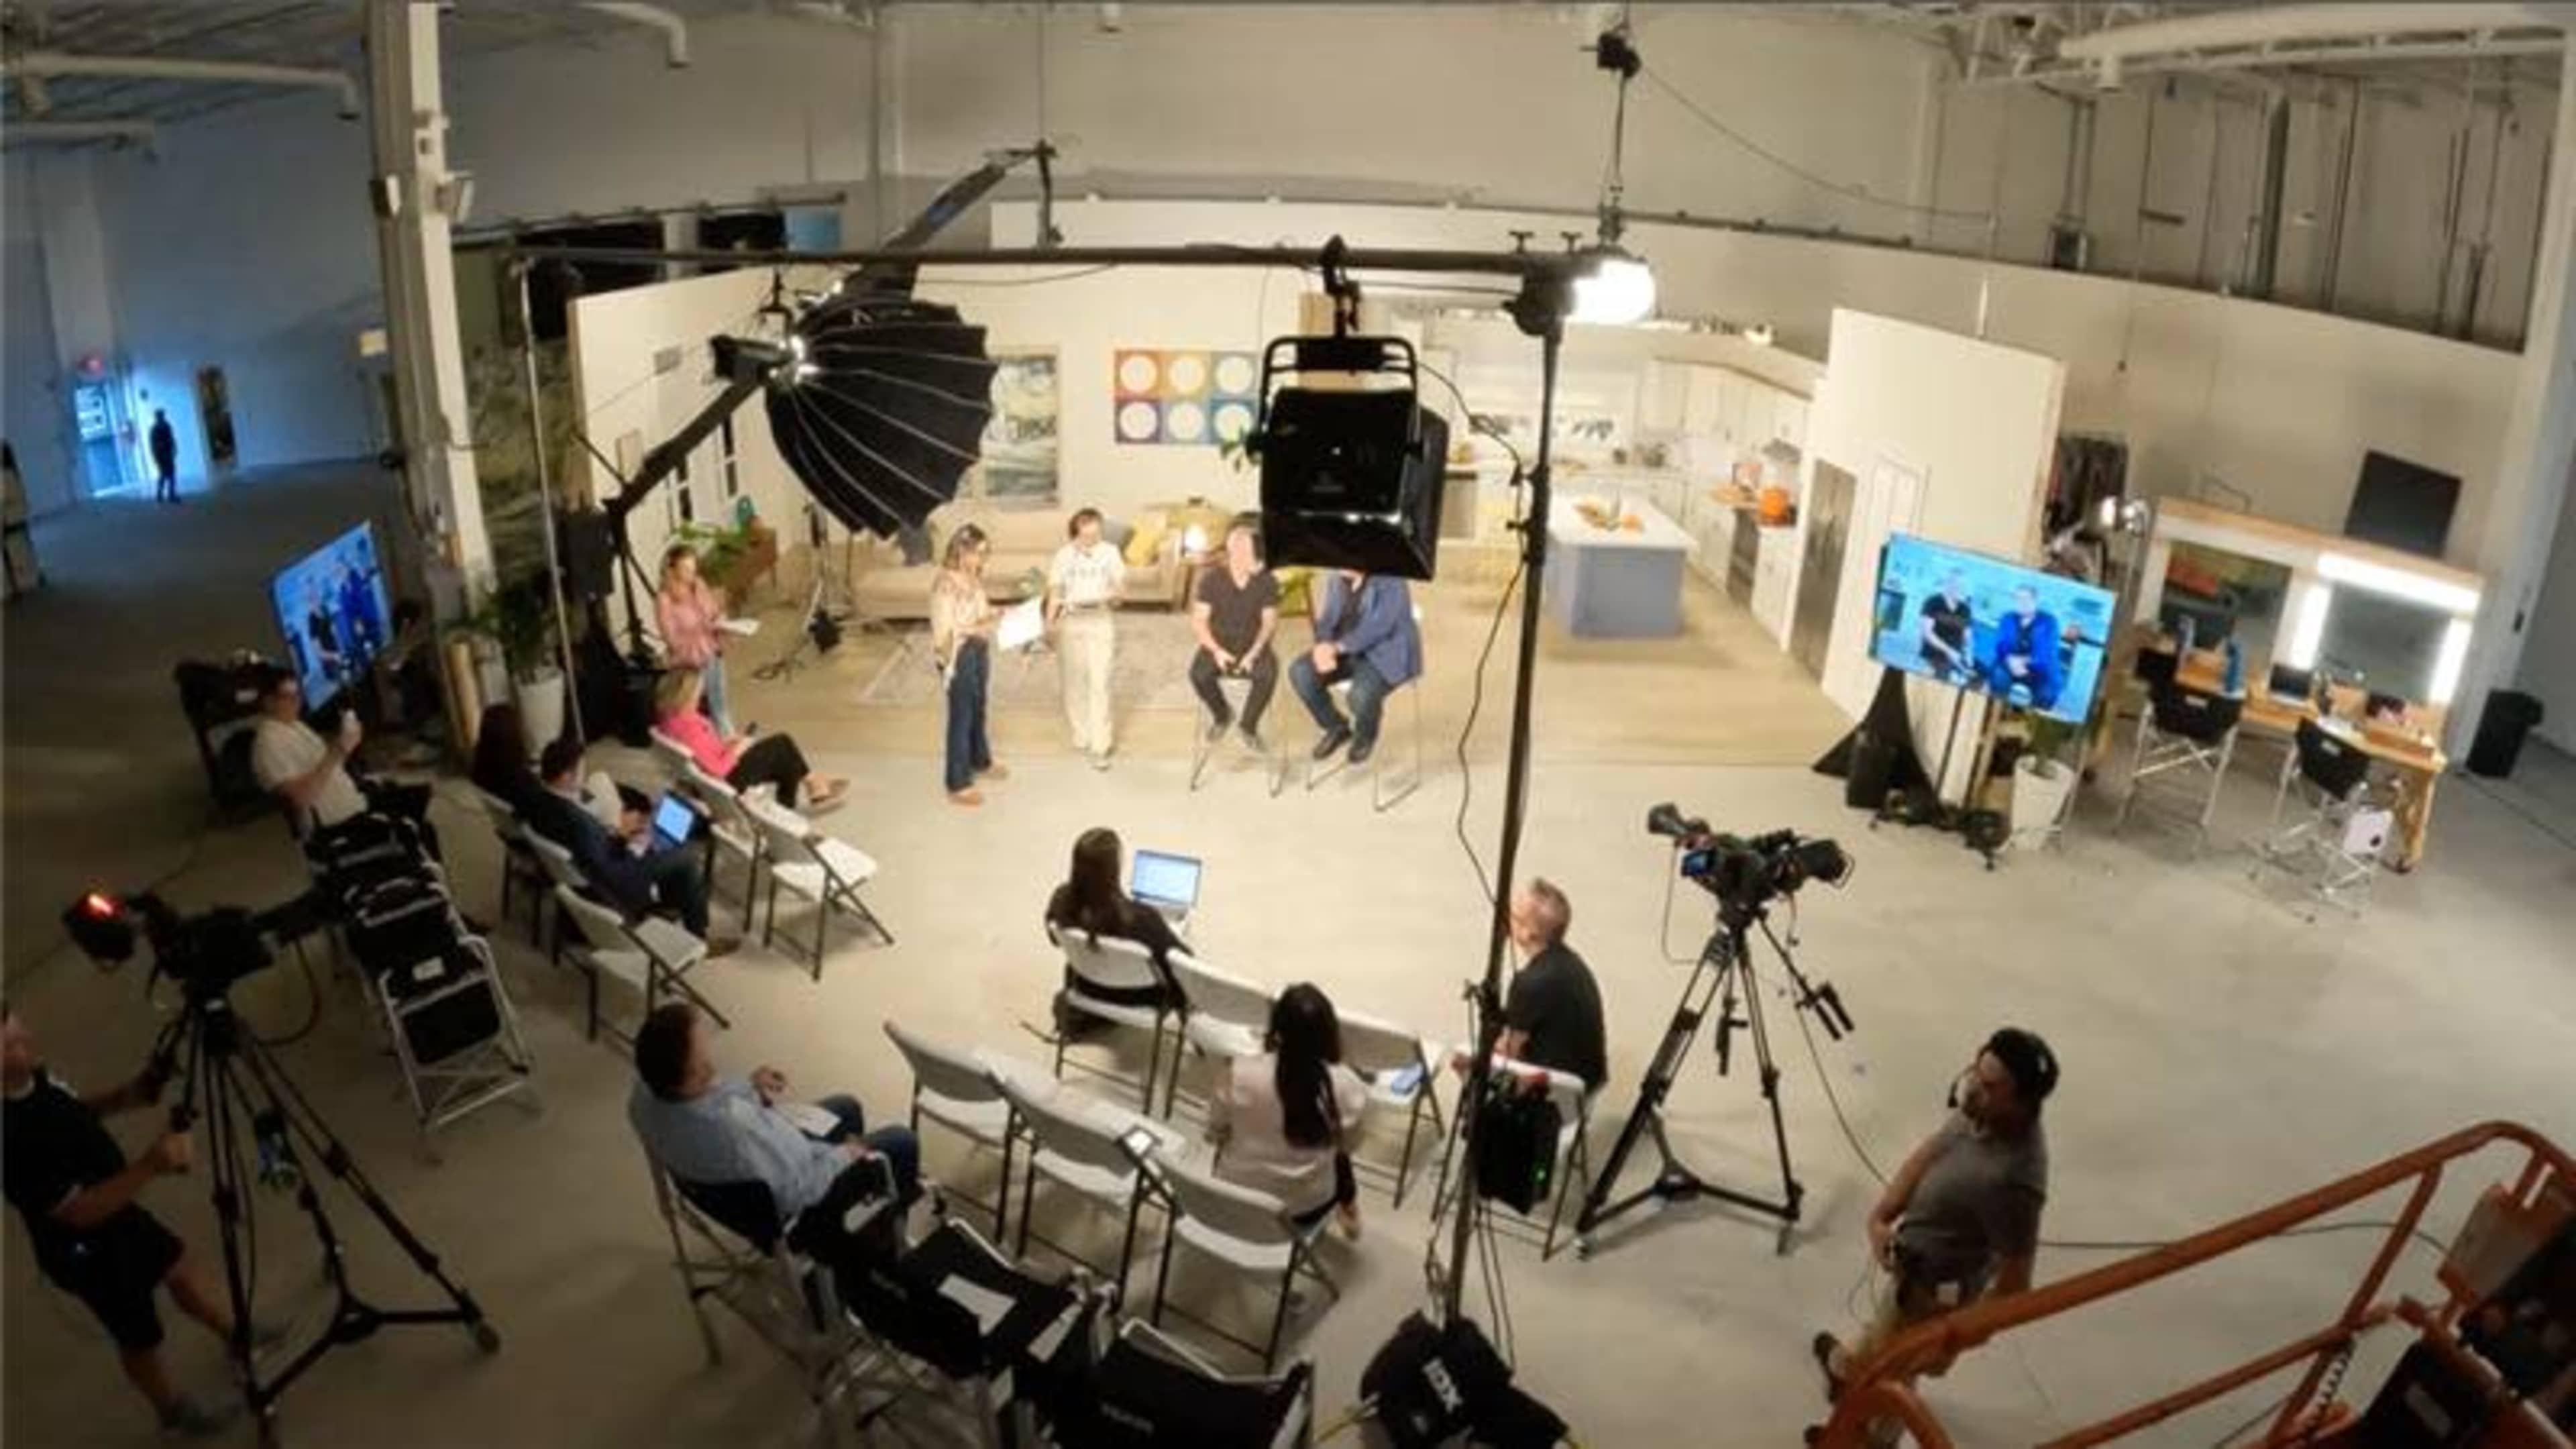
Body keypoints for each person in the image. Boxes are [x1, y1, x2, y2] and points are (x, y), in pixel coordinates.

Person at [3, 1005, 245, 1436]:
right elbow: (78, 1213)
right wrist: (152, 1164)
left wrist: (129, 1094)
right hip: (87, 1252)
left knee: (178, 1266)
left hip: (119, 1211)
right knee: (138, 1335)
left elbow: (75, 1111)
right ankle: (172, 1410)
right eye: (8, 1042)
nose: (23, 1036)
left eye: (14, 1023)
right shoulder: (10, 1140)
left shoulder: (33, 1076)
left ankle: (237, 1336)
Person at [1812, 1029, 2056, 1444]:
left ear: (2022, 1101)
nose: (1974, 1089)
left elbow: (2016, 1287)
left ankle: (1868, 1439)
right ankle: (1849, 1367)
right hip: (1911, 1265)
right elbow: (1929, 1153)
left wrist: (1951, 1342)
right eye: (1976, 1071)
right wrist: (1881, 1217)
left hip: (1936, 1295)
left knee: (1899, 1373)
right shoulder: (1981, 1110)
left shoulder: (2016, 1180)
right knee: (1884, 1337)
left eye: (1991, 1085)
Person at [627, 1002, 920, 1256]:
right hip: (796, 1205)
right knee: (901, 1141)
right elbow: (796, 1192)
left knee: (847, 1107)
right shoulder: (734, 1136)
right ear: (694, 1074)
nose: (712, 1056)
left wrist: (750, 1086)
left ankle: (840, 1225)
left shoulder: (643, 1095)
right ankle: (886, 1245)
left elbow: (713, 1096)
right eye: (705, 1054)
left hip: (753, 1170)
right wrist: (844, 1154)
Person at [519, 735, 729, 949]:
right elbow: (610, 872)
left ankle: (676, 905)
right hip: (617, 881)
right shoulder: (576, 822)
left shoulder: (540, 799)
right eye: (581, 770)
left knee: (669, 832)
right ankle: (699, 936)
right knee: (687, 856)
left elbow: (594, 846)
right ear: (566, 776)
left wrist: (622, 834)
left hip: (603, 858)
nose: (584, 775)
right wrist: (636, 845)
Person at [1207, 984, 1368, 1238]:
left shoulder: (1238, 1072)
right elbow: (1349, 1146)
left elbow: (1214, 1132)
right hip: (1305, 1208)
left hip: (1235, 1196)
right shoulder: (1349, 1086)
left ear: (1276, 1031)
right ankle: (1348, 1205)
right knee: (1337, 1149)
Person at [247, 666, 439, 854]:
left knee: (422, 795)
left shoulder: (294, 725)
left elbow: (326, 768)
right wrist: (337, 752)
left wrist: (346, 746)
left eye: (298, 694)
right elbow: (300, 798)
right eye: (288, 697)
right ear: (269, 702)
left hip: (354, 801)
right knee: (418, 825)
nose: (297, 702)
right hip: (338, 825)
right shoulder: (269, 743)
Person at [654, 669, 845, 813]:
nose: (701, 693)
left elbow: (704, 753)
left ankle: (809, 788)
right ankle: (799, 798)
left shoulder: (671, 720)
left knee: (784, 755)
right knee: (782, 746)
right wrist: (739, 749)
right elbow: (718, 769)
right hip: (726, 779)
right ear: (688, 694)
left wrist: (729, 743)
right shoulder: (690, 728)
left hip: (710, 775)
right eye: (698, 690)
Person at [1043, 827, 1184, 1014]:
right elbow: (1181, 966)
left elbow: (1055, 939)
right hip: (1136, 997)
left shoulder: (1060, 900)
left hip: (1086, 985)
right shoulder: (1142, 918)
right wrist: (1169, 934)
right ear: (1115, 866)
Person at [1290, 568, 1421, 766]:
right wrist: (1323, 646)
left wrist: (1337, 647)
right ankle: (1336, 727)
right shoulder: (1337, 579)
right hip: (1343, 652)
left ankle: (1365, 736)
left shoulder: (1392, 581)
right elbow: (1327, 619)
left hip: (1382, 655)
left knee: (1359, 696)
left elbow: (1379, 627)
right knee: (1301, 672)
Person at [1493, 879, 1608, 1093]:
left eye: (1513, 916)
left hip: (1554, 1097)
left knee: (1467, 1061)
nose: (1505, 920)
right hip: (1583, 1091)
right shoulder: (1573, 965)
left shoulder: (1531, 982)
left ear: (1530, 933)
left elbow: (1506, 1054)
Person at [470, 701, 645, 829]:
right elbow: (554, 804)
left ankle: (629, 801)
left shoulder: (482, 770)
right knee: (601, 784)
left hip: (533, 821)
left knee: (599, 784)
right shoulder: (525, 786)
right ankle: (632, 810)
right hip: (574, 814)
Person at [1188, 520, 1281, 750]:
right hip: (1219, 643)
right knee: (1199, 675)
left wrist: (1254, 652)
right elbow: (1199, 622)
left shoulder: (1267, 580)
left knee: (1267, 675)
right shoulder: (1211, 580)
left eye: (1254, 553)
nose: (1255, 558)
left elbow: (1269, 623)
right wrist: (1216, 650)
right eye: (1248, 553)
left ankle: (1248, 726)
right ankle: (1222, 716)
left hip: (1253, 643)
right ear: (1233, 553)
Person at [931, 525, 1004, 806]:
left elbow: (981, 612)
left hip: (978, 649)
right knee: (961, 716)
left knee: (979, 707)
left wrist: (998, 613)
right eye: (980, 553)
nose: (983, 560)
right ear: (962, 551)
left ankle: (980, 760)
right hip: (956, 655)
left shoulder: (973, 578)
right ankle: (957, 782)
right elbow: (944, 632)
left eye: (986, 554)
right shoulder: (945, 584)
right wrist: (976, 630)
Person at [1047, 507, 1123, 770]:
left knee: (1100, 681)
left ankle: (1101, 745)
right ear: (1075, 534)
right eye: (1087, 537)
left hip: (1100, 620)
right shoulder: (1062, 556)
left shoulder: (1110, 553)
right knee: (1074, 681)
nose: (1092, 541)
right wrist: (1049, 626)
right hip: (1072, 621)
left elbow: (1120, 591)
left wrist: (1113, 596)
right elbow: (1055, 592)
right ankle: (1082, 734)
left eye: (1096, 535)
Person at [656, 544, 735, 737]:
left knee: (720, 703)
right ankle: (721, 745)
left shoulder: (699, 585)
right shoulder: (665, 599)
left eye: (694, 568)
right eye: (686, 569)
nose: (692, 574)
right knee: (694, 709)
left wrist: (720, 621)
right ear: (672, 570)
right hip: (691, 660)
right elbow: (672, 639)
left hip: (712, 651)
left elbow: (714, 611)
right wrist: (700, 632)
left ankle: (727, 742)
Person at [1986, 586, 2064, 711]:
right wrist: (2010, 660)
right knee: (1998, 676)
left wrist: (2021, 661)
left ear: (2035, 601)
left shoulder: (2048, 622)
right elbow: (2001, 645)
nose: (2022, 603)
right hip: (2010, 665)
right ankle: (1995, 708)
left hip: (2039, 671)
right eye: (2018, 599)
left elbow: (2045, 654)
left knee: (2047, 693)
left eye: (2026, 599)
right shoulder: (2008, 618)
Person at [1917, 572, 1974, 682]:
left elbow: (1968, 637)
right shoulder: (1933, 602)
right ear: (1948, 584)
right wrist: (1949, 651)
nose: (1961, 590)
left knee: (1981, 677)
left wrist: (1969, 656)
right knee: (1944, 673)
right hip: (1935, 653)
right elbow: (1927, 633)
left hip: (1957, 655)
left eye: (1963, 587)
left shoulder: (1965, 609)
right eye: (1957, 585)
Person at [148, 409, 178, 504]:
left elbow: (171, 438)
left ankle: (170, 494)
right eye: (160, 416)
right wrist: (155, 456)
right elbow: (153, 445)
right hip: (161, 455)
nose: (162, 417)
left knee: (171, 474)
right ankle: (161, 495)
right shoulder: (155, 429)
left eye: (162, 415)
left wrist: (174, 448)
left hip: (167, 453)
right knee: (164, 474)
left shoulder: (167, 426)